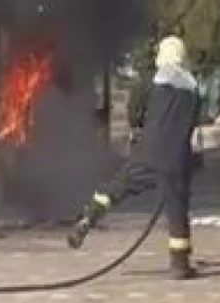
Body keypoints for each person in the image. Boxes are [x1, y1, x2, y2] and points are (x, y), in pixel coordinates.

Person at [67, 35, 203, 280]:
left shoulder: (152, 83)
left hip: (148, 152)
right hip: (175, 158)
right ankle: (180, 265)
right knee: (177, 209)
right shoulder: (193, 90)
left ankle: (89, 216)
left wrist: (138, 128)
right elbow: (193, 126)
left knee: (118, 187)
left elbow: (135, 112)